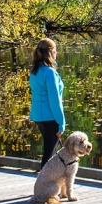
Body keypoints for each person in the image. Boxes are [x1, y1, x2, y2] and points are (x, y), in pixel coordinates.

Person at [28, 38, 65, 166]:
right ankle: (43, 184)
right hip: (50, 118)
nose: (56, 53)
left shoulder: (35, 71)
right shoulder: (50, 73)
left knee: (51, 152)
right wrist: (61, 122)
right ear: (50, 51)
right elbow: (54, 100)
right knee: (49, 155)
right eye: (55, 50)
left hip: (38, 116)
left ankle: (51, 183)